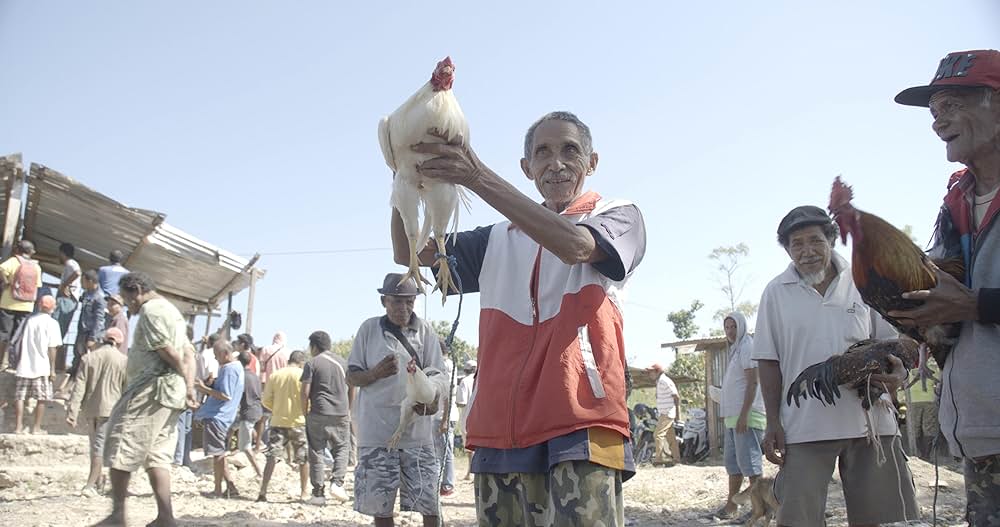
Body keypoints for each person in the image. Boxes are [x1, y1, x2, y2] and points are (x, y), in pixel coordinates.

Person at [391, 111, 646, 525]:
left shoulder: (618, 215)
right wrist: (403, 177)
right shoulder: (496, 239)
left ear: (592, 162)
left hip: (580, 420)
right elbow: (408, 254)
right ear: (527, 168)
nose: (556, 162)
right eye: (542, 152)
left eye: (570, 150)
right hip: (500, 426)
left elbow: (577, 248)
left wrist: (478, 178)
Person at [752, 206, 918, 526]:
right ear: (787, 250)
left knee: (887, 518)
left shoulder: (862, 281)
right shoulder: (775, 292)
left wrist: (898, 373)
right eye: (796, 243)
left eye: (815, 240)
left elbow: (891, 342)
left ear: (832, 240)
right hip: (805, 423)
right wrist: (772, 421)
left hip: (871, 420)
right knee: (799, 517)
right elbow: (768, 361)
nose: (807, 251)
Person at [891, 49, 1000, 525]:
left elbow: (973, 302)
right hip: (980, 429)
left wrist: (978, 304)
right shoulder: (955, 202)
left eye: (952, 105)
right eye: (935, 112)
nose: (938, 122)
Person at [346, 273, 446, 527]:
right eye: (396, 302)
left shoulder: (425, 331)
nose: (403, 308)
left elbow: (438, 374)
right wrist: (374, 373)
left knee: (430, 504)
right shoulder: (369, 329)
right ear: (384, 301)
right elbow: (352, 376)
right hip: (378, 433)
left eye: (409, 301)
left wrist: (433, 399)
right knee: (381, 508)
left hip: (417, 434)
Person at [98, 272, 197, 527]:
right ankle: (165, 517)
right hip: (170, 393)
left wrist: (185, 379)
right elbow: (189, 352)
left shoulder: (151, 311)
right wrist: (188, 386)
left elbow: (169, 351)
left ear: (137, 290)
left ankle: (118, 515)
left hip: (149, 390)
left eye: (127, 298)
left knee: (121, 445)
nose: (127, 304)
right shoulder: (173, 312)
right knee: (157, 455)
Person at [714, 311, 765, 520]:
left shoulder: (747, 346)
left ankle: (760, 510)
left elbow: (753, 382)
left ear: (742, 327)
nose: (730, 331)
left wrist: (744, 414)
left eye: (734, 327)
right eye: (727, 328)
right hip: (734, 418)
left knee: (751, 465)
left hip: (747, 417)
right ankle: (731, 507)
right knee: (734, 465)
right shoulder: (736, 350)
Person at [65, 328, 127, 497]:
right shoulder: (123, 361)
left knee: (95, 447)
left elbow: (79, 387)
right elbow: (126, 389)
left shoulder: (89, 357)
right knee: (101, 448)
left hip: (90, 408)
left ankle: (97, 481)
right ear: (119, 342)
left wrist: (72, 412)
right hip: (111, 410)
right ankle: (90, 485)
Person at [301, 330, 351, 505]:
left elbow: (305, 391)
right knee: (343, 448)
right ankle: (337, 483)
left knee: (317, 452)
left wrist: (304, 412)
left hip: (318, 412)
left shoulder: (312, 363)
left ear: (314, 346)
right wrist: (348, 408)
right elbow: (353, 388)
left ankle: (318, 494)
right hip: (341, 413)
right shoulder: (343, 363)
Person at [194, 340, 245, 498]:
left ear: (225, 354)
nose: (216, 359)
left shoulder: (229, 369)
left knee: (218, 455)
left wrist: (204, 389)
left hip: (218, 416)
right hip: (223, 416)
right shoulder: (235, 367)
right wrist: (213, 384)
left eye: (217, 356)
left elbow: (225, 395)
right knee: (219, 453)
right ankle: (230, 487)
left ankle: (217, 490)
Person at [257, 350, 310, 503]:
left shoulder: (275, 375)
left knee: (272, 456)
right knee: (303, 459)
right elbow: (307, 398)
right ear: (301, 362)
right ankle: (304, 492)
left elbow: (266, 400)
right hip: (298, 421)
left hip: (278, 421)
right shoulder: (302, 375)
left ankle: (263, 490)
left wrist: (277, 409)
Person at [12, 295, 61, 434]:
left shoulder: (29, 321)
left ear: (40, 305)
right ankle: (36, 427)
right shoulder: (52, 323)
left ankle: (18, 427)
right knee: (42, 398)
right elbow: (52, 348)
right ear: (52, 307)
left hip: (24, 364)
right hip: (42, 366)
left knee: (20, 397)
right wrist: (52, 369)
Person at [0, 240, 43, 371]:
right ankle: (16, 364)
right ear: (31, 252)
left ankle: (2, 362)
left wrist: (7, 281)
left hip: (8, 302)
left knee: (4, 334)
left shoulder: (13, 261)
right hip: (26, 306)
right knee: (20, 336)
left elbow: (1, 268)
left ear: (17, 250)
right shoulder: (36, 267)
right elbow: (38, 286)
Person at [67, 270, 107, 380]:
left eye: (83, 281)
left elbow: (99, 320)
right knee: (77, 356)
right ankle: (72, 378)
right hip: (82, 330)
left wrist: (93, 338)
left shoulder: (99, 298)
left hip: (89, 333)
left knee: (85, 360)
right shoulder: (86, 294)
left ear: (89, 281)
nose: (82, 284)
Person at [231, 349, 263, 476]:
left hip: (247, 412)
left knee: (245, 446)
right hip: (256, 409)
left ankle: (258, 471)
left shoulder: (241, 376)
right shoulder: (255, 376)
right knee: (232, 429)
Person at [433, 345, 458, 497]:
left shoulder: (443, 366)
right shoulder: (449, 364)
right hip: (446, 414)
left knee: (445, 452)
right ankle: (442, 483)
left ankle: (447, 484)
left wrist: (444, 419)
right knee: (442, 451)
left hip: (443, 415)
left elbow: (447, 393)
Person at [52, 242, 81, 371]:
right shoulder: (71, 264)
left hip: (67, 300)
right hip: (67, 300)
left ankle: (56, 366)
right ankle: (58, 366)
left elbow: (77, 272)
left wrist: (64, 285)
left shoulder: (71, 263)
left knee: (57, 332)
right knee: (58, 333)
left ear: (63, 253)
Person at [649, 363, 681, 467]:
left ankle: (659, 460)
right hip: (666, 413)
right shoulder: (660, 381)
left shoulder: (664, 381)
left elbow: (676, 396)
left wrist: (677, 414)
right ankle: (676, 459)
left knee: (657, 435)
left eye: (651, 372)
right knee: (671, 438)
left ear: (658, 372)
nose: (650, 374)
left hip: (667, 413)